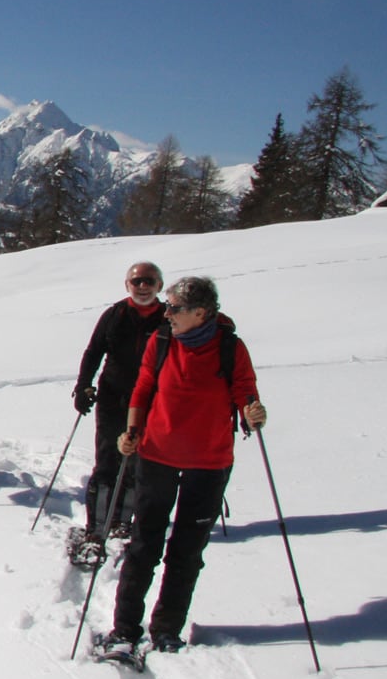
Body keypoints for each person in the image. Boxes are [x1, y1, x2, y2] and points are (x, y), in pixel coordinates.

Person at [101, 276, 266, 658]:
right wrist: (132, 431)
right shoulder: (161, 341)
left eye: (174, 307)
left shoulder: (230, 347)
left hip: (209, 462)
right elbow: (144, 387)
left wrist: (252, 410)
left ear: (201, 313)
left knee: (187, 552)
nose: (167, 313)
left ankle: (166, 630)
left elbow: (244, 389)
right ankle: (124, 629)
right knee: (144, 545)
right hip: (157, 454)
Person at [69, 261, 169, 566]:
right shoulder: (115, 315)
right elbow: (94, 351)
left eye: (149, 281)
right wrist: (83, 385)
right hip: (113, 397)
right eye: (137, 281)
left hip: (151, 401)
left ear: (159, 285)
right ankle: (97, 527)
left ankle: (123, 523)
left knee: (138, 464)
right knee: (107, 462)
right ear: (127, 285)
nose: (143, 286)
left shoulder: (169, 319)